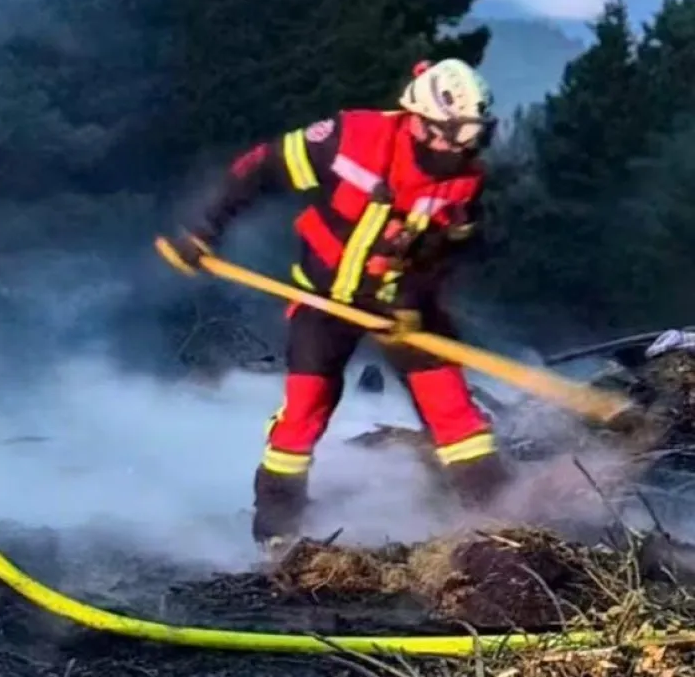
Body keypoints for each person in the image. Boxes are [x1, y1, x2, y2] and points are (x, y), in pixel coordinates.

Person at [157, 59, 510, 556]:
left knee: (457, 418)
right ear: (420, 120)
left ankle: (502, 532)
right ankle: (277, 536)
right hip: (323, 301)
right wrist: (205, 229)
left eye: (474, 135)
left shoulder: (465, 182)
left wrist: (408, 303)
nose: (464, 147)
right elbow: (261, 167)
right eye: (455, 134)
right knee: (303, 415)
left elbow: (449, 253)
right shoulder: (350, 138)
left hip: (407, 312)